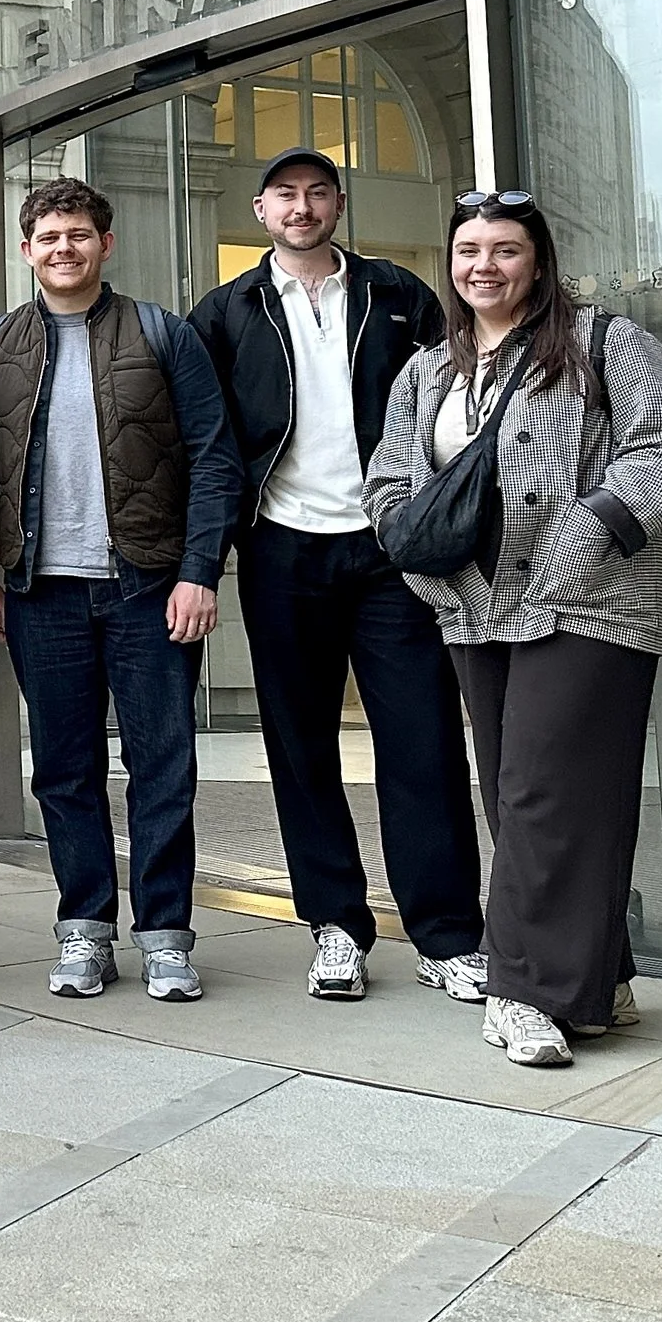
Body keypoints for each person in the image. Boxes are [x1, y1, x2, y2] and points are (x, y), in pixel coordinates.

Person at [366, 190, 662, 1067]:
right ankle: (598, 976)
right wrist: (406, 543)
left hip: (590, 599)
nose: (484, 266)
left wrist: (589, 530)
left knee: (544, 792)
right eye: (469, 250)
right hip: (473, 606)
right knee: (520, 794)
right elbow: (389, 478)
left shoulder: (605, 343)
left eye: (505, 250)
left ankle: (524, 990)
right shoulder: (425, 371)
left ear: (540, 263)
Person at [188, 148, 488, 1004]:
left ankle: (448, 935)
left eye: (317, 192)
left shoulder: (399, 295)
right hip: (283, 550)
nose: (302, 206)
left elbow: (457, 404)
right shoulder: (227, 313)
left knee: (422, 740)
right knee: (301, 745)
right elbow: (209, 448)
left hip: (390, 547)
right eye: (286, 194)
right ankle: (335, 928)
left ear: (339, 204)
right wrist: (204, 559)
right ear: (261, 209)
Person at [0, 178, 241, 1003]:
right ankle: (84, 930)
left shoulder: (161, 333)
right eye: (49, 237)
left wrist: (200, 571)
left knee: (163, 764)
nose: (64, 249)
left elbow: (215, 455)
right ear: (27, 251)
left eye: (79, 235)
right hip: (39, 591)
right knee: (63, 769)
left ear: (105, 245)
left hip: (147, 587)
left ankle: (165, 934)